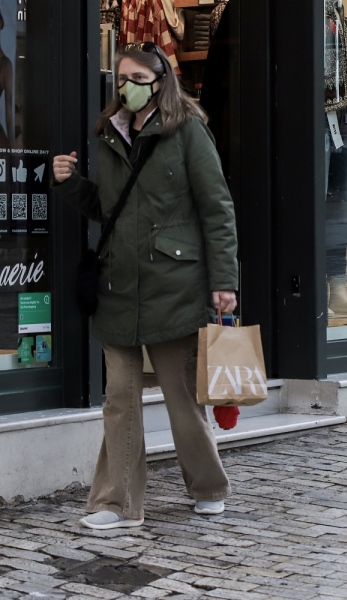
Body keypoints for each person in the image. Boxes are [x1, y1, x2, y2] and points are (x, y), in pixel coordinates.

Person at [51, 42, 239, 530]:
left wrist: (225, 281)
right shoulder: (109, 133)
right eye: (121, 79)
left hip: (175, 284)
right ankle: (116, 503)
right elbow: (109, 209)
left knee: (181, 396)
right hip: (117, 284)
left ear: (159, 82)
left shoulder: (188, 132)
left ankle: (209, 486)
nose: (125, 88)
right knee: (119, 398)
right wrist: (70, 184)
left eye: (136, 79)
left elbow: (217, 209)